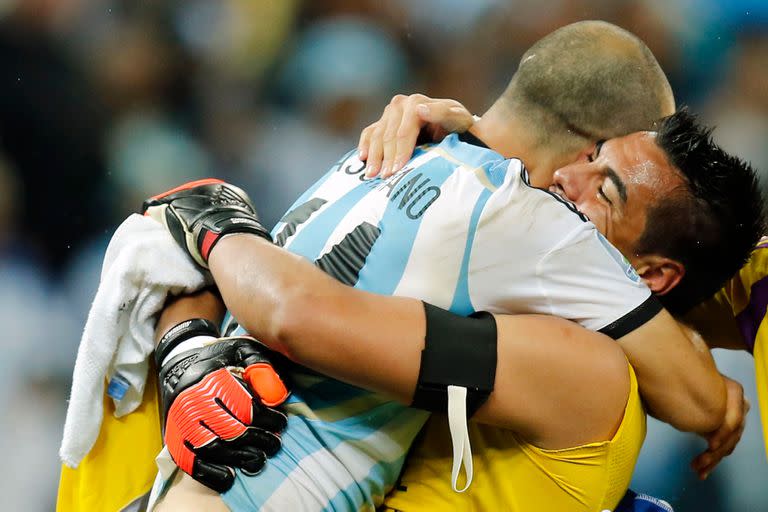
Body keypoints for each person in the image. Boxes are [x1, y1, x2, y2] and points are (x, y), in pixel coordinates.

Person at [58, 21, 755, 512]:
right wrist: (191, 337)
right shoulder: (493, 220)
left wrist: (205, 216)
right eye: (588, 160)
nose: (569, 184)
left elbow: (295, 311)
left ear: (655, 276)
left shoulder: (576, 354)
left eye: (602, 187)